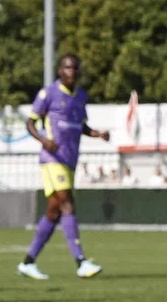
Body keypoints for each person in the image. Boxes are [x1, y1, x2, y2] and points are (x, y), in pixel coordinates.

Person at [18, 54, 110, 280]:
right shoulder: (48, 93)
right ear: (60, 70)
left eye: (75, 68)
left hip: (70, 160)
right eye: (67, 67)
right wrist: (43, 140)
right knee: (67, 203)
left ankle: (28, 262)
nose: (71, 71)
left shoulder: (80, 97)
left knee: (53, 211)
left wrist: (98, 134)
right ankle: (81, 261)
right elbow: (30, 123)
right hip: (52, 159)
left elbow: (82, 127)